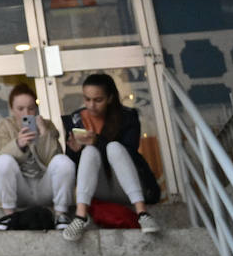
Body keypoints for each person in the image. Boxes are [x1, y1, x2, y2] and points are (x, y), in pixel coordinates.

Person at [61, 72, 162, 242]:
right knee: (89, 152)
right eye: (87, 99)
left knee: (114, 147)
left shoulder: (127, 117)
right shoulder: (75, 119)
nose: (91, 105)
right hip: (97, 189)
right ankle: (80, 217)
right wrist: (75, 150)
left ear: (110, 98)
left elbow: (130, 153)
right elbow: (74, 167)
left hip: (126, 186)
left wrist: (97, 140)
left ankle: (142, 213)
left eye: (98, 100)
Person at [0, 83, 75, 228]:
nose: (26, 113)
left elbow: (56, 161)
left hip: (44, 187)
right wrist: (18, 144)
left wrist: (44, 134)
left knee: (64, 161)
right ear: (12, 109)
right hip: (19, 190)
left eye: (31, 108)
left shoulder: (47, 125)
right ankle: (9, 216)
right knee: (4, 161)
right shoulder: (4, 126)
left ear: (36, 108)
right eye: (20, 109)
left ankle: (61, 215)